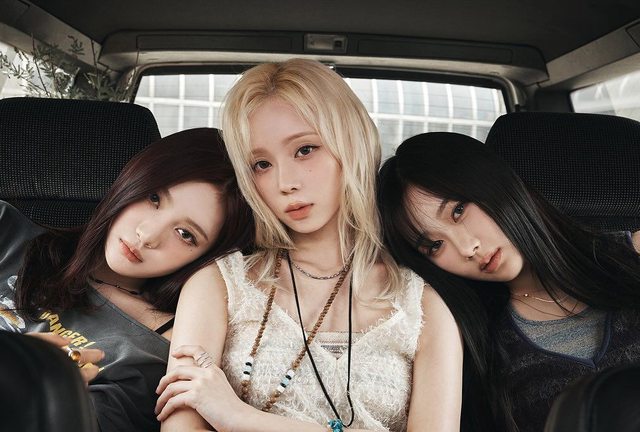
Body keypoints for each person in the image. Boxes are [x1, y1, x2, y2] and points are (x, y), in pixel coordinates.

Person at [154, 59, 463, 432]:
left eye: (304, 150)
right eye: (261, 164)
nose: (285, 182)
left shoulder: (423, 306)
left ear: (351, 142)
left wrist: (238, 417)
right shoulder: (218, 285)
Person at [376, 132, 640, 432]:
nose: (467, 248)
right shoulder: (475, 351)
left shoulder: (631, 256)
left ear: (491, 182)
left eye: (458, 211)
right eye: (435, 245)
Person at [0, 128, 254, 432]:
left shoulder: (163, 353)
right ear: (134, 177)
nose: (147, 235)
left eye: (185, 234)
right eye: (154, 198)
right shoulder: (6, 230)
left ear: (206, 257)